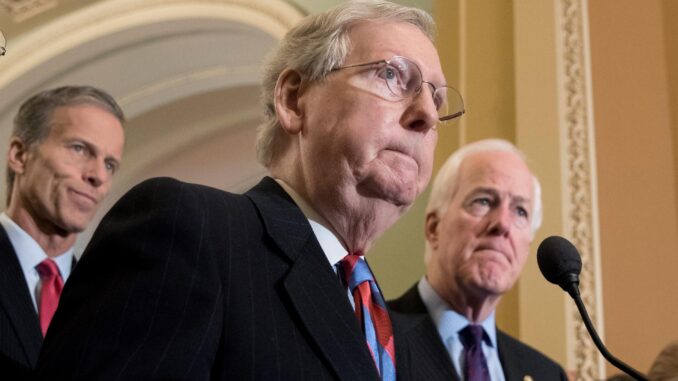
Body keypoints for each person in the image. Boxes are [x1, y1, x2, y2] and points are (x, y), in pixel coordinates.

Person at [36, 1, 465, 380]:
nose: (427, 114)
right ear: (294, 100)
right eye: (391, 74)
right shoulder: (188, 229)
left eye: (438, 100)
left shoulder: (383, 321)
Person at [389, 139, 567, 381]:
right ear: (434, 227)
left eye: (520, 211)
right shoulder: (372, 332)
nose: (503, 224)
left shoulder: (547, 374)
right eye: (483, 201)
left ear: (528, 245)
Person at [0, 86, 125, 378]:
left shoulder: (109, 300)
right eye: (80, 149)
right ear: (19, 155)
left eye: (110, 164)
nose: (98, 176)